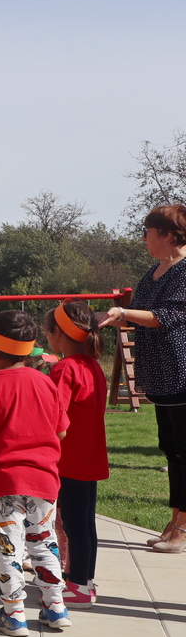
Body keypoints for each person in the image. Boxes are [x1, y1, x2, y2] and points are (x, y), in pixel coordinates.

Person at [0, 310, 70, 637]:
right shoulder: (45, 383)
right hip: (44, 479)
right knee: (44, 542)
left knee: (8, 546)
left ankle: (14, 614)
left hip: (3, 480)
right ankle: (55, 607)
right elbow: (61, 431)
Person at [102, 205, 186, 553]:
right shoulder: (155, 269)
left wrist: (124, 312)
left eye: (147, 231)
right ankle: (175, 520)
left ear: (167, 234)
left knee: (183, 451)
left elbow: (167, 315)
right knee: (171, 449)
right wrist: (115, 317)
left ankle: (183, 528)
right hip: (161, 374)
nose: (143, 238)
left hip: (181, 373)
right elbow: (141, 312)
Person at [45, 301, 108, 605]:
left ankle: (78, 586)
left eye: (48, 331)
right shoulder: (92, 365)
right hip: (89, 457)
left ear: (58, 333)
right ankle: (85, 580)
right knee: (85, 525)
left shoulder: (65, 368)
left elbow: (54, 415)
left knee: (73, 525)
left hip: (69, 460)